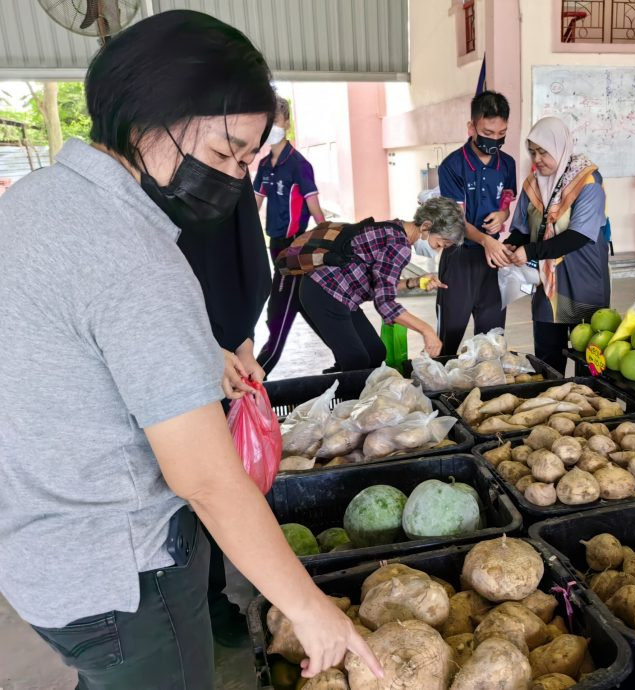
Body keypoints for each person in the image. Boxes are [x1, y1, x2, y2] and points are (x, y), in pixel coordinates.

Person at [0, 10, 381, 689]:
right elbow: (204, 476)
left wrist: (195, 356)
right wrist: (308, 607)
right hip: (123, 578)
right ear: (148, 114)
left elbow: (66, 342)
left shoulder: (35, 200)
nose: (234, 179)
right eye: (223, 152)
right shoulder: (135, 254)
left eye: (246, 161)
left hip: (40, 551)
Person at [176, 173, 272, 647]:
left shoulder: (225, 178)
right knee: (194, 483)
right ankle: (205, 605)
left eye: (245, 156)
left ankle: (213, 603)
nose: (237, 164)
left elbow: (247, 266)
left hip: (220, 352)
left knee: (209, 475)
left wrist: (242, 343)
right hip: (174, 355)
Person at [299, 196, 466, 371]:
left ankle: (347, 384)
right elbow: (384, 303)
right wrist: (427, 330)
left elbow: (380, 287)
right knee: (357, 362)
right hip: (324, 293)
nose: (439, 249)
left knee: (376, 353)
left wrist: (414, 282)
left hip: (341, 295)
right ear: (425, 227)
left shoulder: (396, 227)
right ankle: (339, 391)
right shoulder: (399, 245)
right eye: (441, 243)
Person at [505, 117, 610, 374]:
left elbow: (578, 236)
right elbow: (521, 229)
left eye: (543, 152)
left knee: (590, 357)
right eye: (532, 152)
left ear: (561, 147)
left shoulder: (587, 182)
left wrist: (529, 251)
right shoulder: (532, 185)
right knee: (547, 357)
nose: (537, 159)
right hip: (549, 287)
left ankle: (596, 405)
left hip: (584, 280)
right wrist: (508, 247)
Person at [437, 91, 518, 357]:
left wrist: (503, 215)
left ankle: (484, 391)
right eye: (487, 132)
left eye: (501, 133)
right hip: (460, 259)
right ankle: (443, 394)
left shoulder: (507, 164)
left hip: (494, 261)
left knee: (491, 340)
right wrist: (485, 240)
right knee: (449, 336)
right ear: (471, 127)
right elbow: (457, 221)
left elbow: (507, 197)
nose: (495, 139)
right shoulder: (452, 166)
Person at [254, 96, 326, 377]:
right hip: (275, 245)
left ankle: (259, 373)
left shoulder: (298, 164)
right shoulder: (263, 165)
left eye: (275, 120)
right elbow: (255, 203)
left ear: (286, 123)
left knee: (278, 312)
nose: (271, 126)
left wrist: (328, 236)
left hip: (294, 248)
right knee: (303, 304)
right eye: (266, 121)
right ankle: (348, 358)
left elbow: (315, 208)